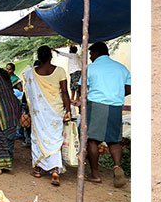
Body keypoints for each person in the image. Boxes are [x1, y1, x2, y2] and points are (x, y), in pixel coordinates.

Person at [21, 47, 72, 187]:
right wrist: (68, 110)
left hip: (39, 113)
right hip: (56, 110)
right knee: (55, 139)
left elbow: (29, 94)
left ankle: (38, 169)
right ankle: (55, 170)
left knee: (38, 138)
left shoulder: (31, 73)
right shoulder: (60, 71)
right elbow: (64, 93)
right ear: (51, 56)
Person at [82, 42, 130, 188]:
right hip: (115, 105)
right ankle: (116, 166)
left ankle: (95, 174)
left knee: (92, 140)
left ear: (96, 52)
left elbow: (83, 88)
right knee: (114, 140)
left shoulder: (91, 68)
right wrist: (117, 94)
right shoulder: (121, 68)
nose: (90, 57)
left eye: (91, 54)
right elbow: (129, 87)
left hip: (96, 104)